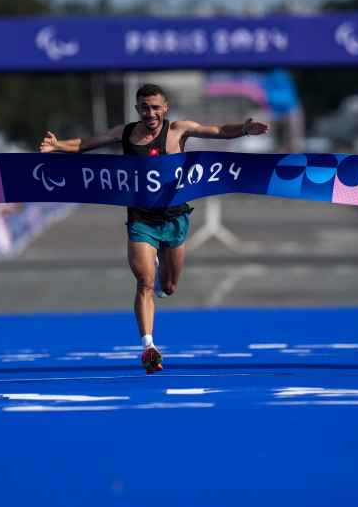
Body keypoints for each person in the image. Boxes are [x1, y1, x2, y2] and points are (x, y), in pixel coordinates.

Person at [39, 84, 269, 373]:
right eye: (144, 107)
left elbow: (219, 131)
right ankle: (149, 347)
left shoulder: (178, 131)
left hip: (175, 218)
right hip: (141, 220)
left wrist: (245, 128)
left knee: (169, 286)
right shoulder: (125, 133)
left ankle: (162, 275)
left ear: (165, 107)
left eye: (155, 107)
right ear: (138, 109)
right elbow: (86, 144)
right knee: (144, 283)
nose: (150, 113)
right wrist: (58, 145)